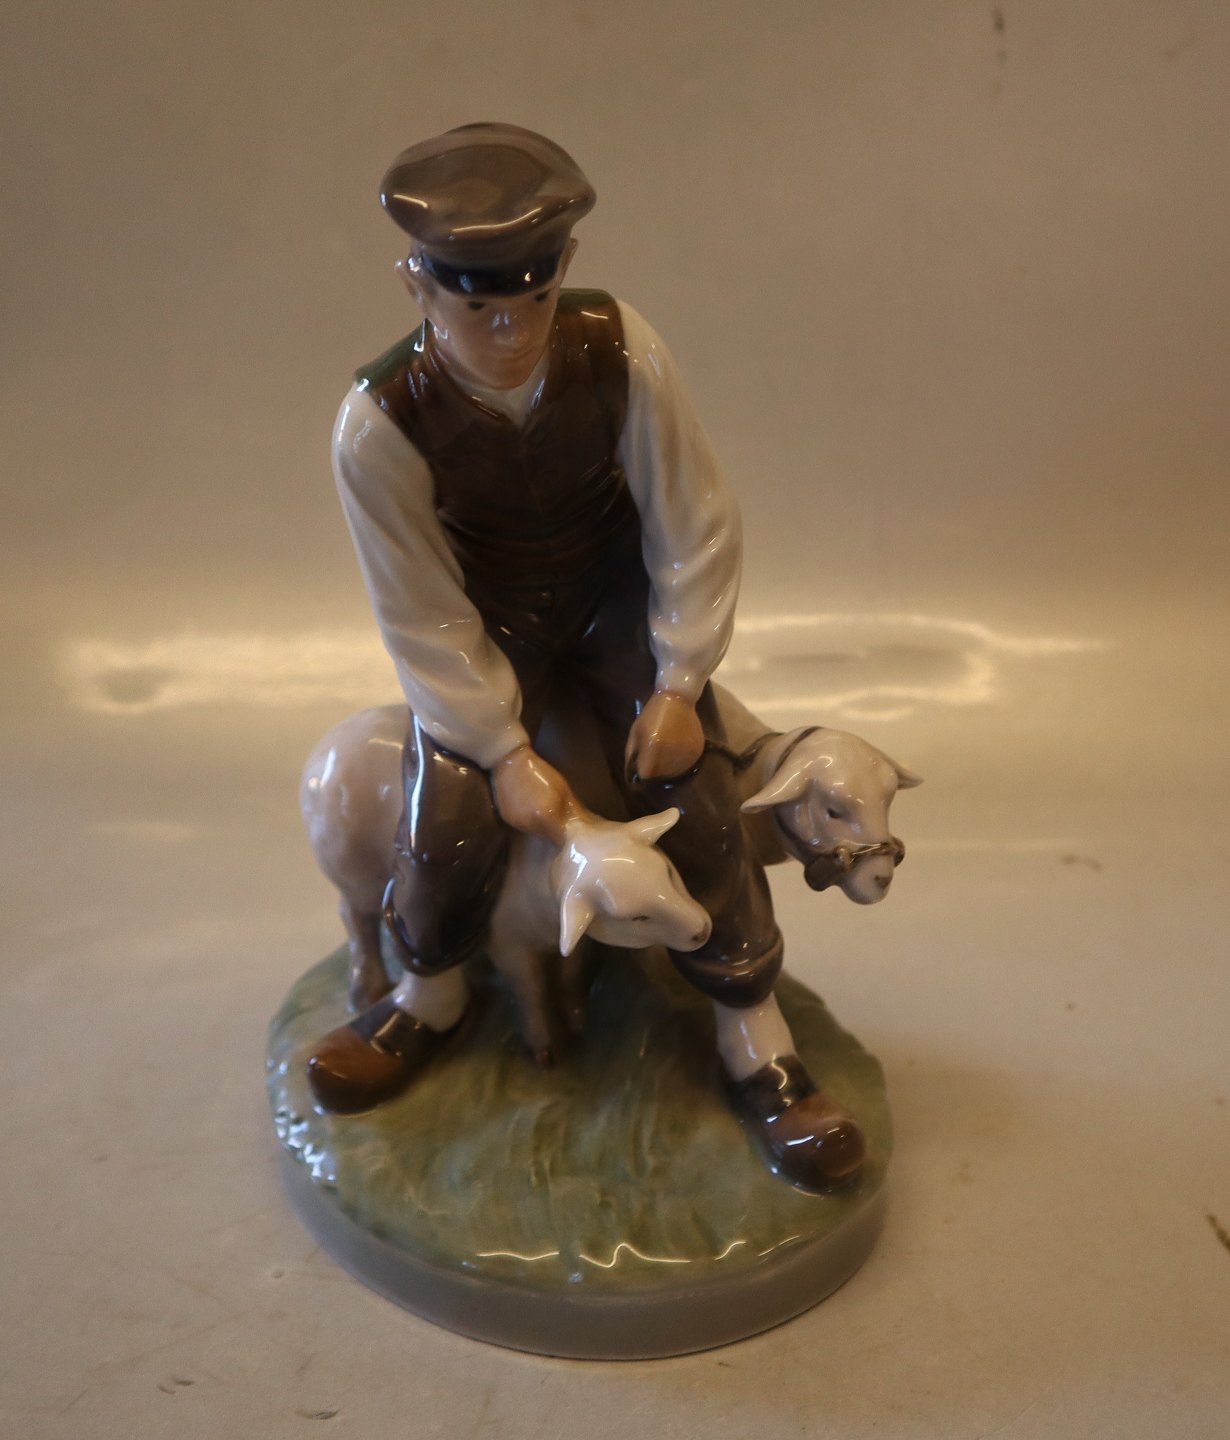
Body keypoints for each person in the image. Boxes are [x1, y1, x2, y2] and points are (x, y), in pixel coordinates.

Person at [305, 124, 864, 1189]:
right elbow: (420, 611)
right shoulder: (377, 425)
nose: (513, 333)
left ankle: (755, 1036)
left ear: (565, 272)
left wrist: (680, 680)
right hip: (488, 632)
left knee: (693, 791)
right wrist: (500, 748)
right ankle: (429, 997)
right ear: (417, 287)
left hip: (616, 610)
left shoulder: (620, 349)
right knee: (450, 811)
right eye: (480, 309)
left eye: (536, 301)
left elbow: (693, 519)